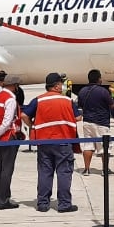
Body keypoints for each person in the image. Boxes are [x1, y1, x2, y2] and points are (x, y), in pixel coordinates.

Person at [24, 72, 81, 212]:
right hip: (63, 141)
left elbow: (24, 115)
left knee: (44, 172)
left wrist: (32, 125)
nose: (62, 86)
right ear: (56, 86)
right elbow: (78, 117)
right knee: (64, 172)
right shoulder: (67, 101)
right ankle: (64, 204)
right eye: (61, 83)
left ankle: (43, 204)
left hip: (44, 141)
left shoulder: (38, 100)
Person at [0, 75, 22, 210]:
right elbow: (7, 122)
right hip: (8, 137)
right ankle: (3, 200)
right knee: (7, 169)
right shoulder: (10, 99)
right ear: (14, 86)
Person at [76, 69, 114, 175]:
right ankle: (105, 170)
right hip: (101, 123)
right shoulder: (103, 91)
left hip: (87, 122)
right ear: (99, 79)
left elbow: (80, 105)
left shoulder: (82, 91)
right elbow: (112, 105)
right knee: (104, 147)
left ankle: (86, 169)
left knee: (88, 145)